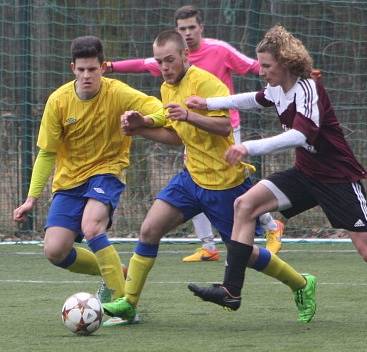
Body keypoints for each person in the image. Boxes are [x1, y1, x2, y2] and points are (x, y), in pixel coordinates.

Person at [186, 25, 367, 327]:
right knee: (244, 205)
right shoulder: (275, 89)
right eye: (261, 65)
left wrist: (248, 147)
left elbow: (300, 136)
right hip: (305, 174)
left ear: (284, 64)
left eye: (267, 66)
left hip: (337, 179)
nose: (262, 71)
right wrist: (207, 103)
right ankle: (231, 291)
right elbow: (251, 98)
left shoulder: (308, 89)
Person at [102, 30, 317, 324]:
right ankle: (128, 302)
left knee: (247, 254)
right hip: (191, 180)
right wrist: (141, 126)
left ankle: (302, 284)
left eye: (170, 60)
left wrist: (189, 115)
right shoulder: (167, 87)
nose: (165, 67)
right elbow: (176, 136)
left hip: (225, 184)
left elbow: (224, 127)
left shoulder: (205, 82)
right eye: (159, 61)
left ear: (184, 56)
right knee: (149, 229)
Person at [12, 36, 174, 326]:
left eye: (93, 69)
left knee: (91, 226)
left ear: (102, 68)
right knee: (55, 250)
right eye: (82, 70)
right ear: (73, 68)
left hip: (107, 171)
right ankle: (114, 271)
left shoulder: (119, 93)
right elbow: (47, 153)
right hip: (70, 181)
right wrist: (31, 198)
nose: (87, 75)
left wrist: (144, 121)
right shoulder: (58, 101)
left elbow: (162, 110)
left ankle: (122, 304)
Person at [104, 4, 284, 261]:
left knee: (236, 227)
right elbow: (143, 66)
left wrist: (286, 73)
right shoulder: (168, 71)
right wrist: (110, 67)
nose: (187, 32)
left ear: (200, 29)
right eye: (182, 28)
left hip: (227, 127)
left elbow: (252, 65)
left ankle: (269, 225)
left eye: (191, 27)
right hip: (192, 136)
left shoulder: (218, 52)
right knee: (190, 179)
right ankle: (208, 245)